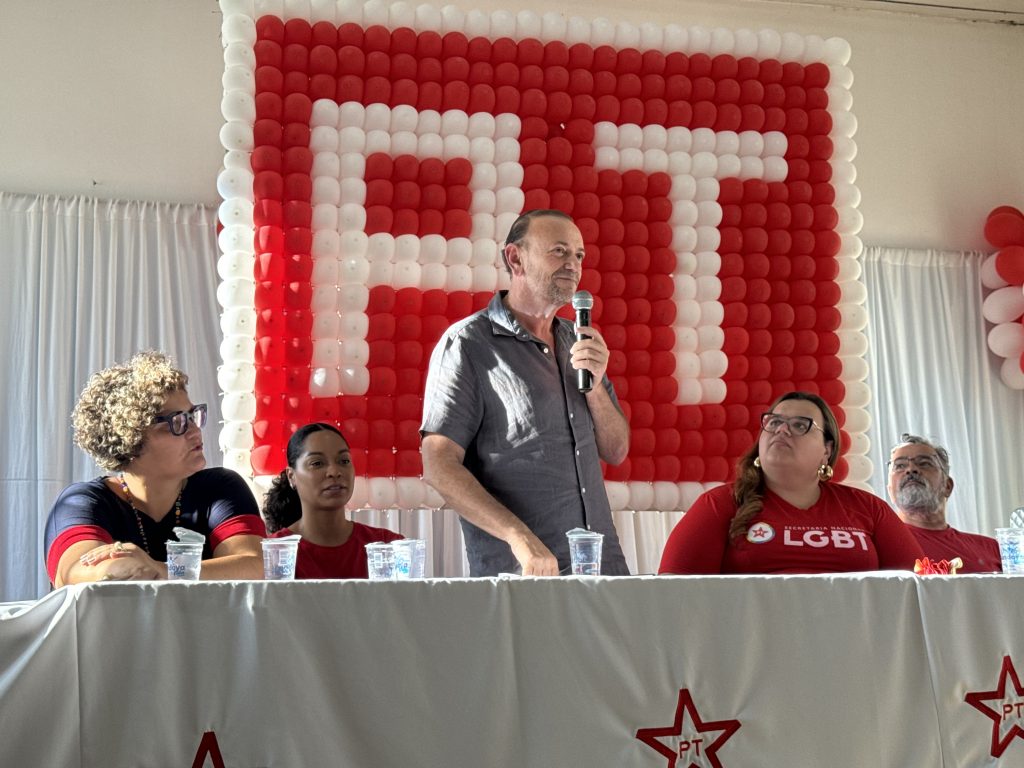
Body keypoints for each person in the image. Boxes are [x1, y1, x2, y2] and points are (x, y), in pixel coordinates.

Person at [420, 209, 630, 577]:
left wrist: (596, 386)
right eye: (559, 251)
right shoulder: (468, 344)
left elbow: (616, 450)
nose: (573, 264)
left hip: (601, 570)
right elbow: (439, 465)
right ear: (515, 258)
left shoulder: (579, 341)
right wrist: (519, 537)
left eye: (579, 255)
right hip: (524, 574)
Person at [44, 351, 265, 586]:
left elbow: (255, 567)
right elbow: (74, 575)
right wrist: (125, 567)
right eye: (177, 421)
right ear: (130, 437)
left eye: (192, 416)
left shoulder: (220, 488)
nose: (195, 431)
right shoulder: (83, 502)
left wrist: (161, 570)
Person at [659, 391, 923, 574]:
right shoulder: (719, 504)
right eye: (774, 422)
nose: (782, 430)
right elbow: (672, 594)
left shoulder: (869, 509)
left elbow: (919, 589)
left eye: (800, 425)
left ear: (827, 450)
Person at [263, 423, 403, 578]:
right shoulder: (272, 555)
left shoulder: (389, 548)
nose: (334, 472)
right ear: (292, 476)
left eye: (344, 461)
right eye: (317, 463)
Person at [886, 433, 1001, 573]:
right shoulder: (879, 546)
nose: (911, 469)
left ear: (947, 486)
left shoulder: (992, 549)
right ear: (890, 491)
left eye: (924, 463)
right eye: (899, 466)